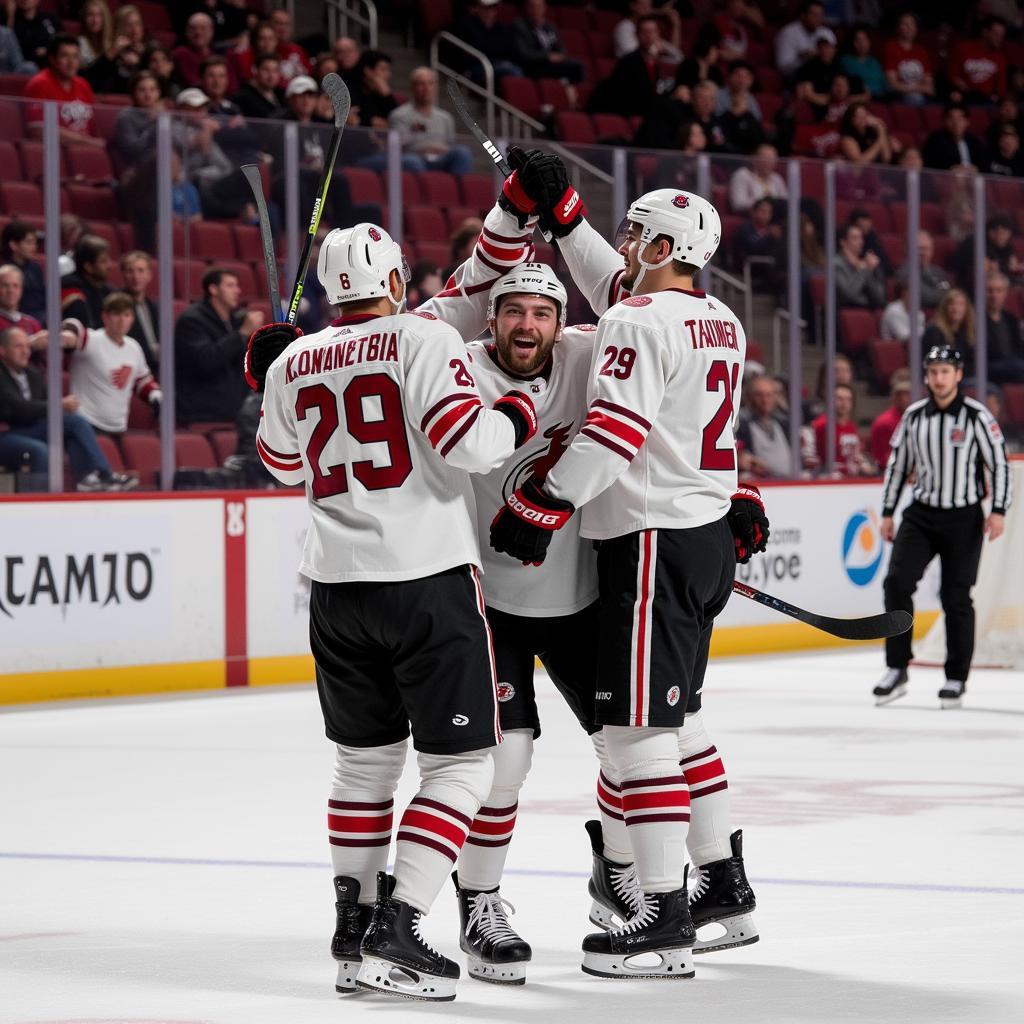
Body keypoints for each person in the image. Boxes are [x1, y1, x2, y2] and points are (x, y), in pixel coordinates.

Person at [251, 220, 539, 1001]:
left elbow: (279, 465)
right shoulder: (420, 338)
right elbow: (470, 443)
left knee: (363, 765)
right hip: (425, 578)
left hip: (336, 590)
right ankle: (401, 924)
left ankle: (354, 927)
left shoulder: (294, 360)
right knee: (463, 765)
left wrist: (272, 369)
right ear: (396, 280)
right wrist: (518, 412)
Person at [489, 181, 769, 977]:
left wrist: (543, 499)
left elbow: (615, 430)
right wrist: (567, 222)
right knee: (681, 722)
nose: (626, 241)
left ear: (662, 249)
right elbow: (622, 295)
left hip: (649, 542)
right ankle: (721, 884)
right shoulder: (720, 317)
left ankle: (661, 916)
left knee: (634, 735)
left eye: (636, 231)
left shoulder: (633, 319)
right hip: (702, 533)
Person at [873, 344, 1011, 708]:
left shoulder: (977, 416)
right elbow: (897, 465)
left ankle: (955, 677)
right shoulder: (915, 416)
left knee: (956, 597)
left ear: (958, 374)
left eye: (945, 371)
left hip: (964, 516)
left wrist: (998, 509)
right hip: (921, 514)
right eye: (933, 371)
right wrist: (887, 511)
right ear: (927, 376)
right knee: (896, 583)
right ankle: (897, 667)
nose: (938, 378)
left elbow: (999, 463)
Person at [0, 325, 136, 490]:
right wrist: (59, 405)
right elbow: (18, 409)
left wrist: (59, 407)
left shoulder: (33, 375)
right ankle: (102, 474)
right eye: (18, 346)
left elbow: (45, 405)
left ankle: (88, 480)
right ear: (2, 350)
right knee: (44, 448)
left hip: (29, 428)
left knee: (72, 427)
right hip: (6, 433)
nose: (25, 351)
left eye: (27, 346)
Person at [175, 267, 264, 426]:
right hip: (202, 415)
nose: (237, 291)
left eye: (237, 285)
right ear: (213, 289)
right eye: (230, 285)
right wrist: (241, 334)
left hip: (233, 413)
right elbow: (205, 361)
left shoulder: (234, 321)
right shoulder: (192, 321)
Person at [69, 291, 161, 437]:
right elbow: (75, 333)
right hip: (87, 424)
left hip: (119, 427)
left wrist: (155, 395)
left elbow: (142, 381)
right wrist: (68, 332)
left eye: (126, 315)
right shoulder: (92, 340)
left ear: (132, 319)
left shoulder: (134, 347)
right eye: (116, 314)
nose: (122, 320)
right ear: (105, 317)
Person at [23, 34, 104, 149]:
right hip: (55, 153)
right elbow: (37, 130)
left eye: (75, 56)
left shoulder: (83, 84)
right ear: (52, 59)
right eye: (65, 56)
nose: (71, 62)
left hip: (85, 153)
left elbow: (95, 127)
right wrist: (87, 142)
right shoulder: (39, 84)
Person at [387, 67, 473, 175]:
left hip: (440, 158)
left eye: (430, 83)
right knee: (413, 161)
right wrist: (426, 149)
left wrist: (440, 150)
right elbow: (398, 148)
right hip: (415, 158)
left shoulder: (445, 117)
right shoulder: (399, 115)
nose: (426, 88)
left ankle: (459, 190)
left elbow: (450, 145)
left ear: (436, 87)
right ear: (412, 87)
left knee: (462, 152)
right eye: (421, 84)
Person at [808, 383, 875, 477]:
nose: (844, 403)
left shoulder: (851, 427)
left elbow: (856, 455)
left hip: (851, 480)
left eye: (848, 400)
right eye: (839, 399)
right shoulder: (819, 426)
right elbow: (811, 460)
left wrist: (864, 466)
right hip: (829, 481)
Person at [510, 0, 584, 84]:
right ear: (527, 9)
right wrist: (547, 57)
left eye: (539, 6)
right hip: (535, 65)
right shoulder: (520, 26)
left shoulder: (550, 27)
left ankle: (575, 91)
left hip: (552, 64)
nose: (536, 10)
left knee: (577, 66)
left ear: (544, 8)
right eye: (533, 7)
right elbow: (524, 53)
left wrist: (560, 56)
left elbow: (561, 48)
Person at [737, 374, 794, 479]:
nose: (765, 400)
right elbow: (740, 455)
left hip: (790, 483)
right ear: (749, 397)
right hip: (760, 482)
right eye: (759, 395)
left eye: (769, 395)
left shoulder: (784, 424)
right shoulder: (741, 424)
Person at [948, 14, 1007, 106]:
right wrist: (962, 87)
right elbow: (952, 76)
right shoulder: (963, 48)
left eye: (1002, 35)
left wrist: (996, 97)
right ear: (985, 32)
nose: (1000, 39)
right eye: (996, 34)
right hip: (964, 96)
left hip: (987, 101)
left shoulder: (1000, 57)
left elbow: (1000, 90)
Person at [731, 197, 784, 292]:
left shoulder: (771, 229)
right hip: (753, 266)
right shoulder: (744, 228)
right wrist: (769, 236)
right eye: (763, 212)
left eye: (769, 213)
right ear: (753, 212)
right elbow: (752, 247)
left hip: (770, 265)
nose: (766, 216)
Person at [120, 250, 159, 375]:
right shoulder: (117, 307)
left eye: (141, 270)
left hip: (156, 370)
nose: (136, 277)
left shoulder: (154, 308)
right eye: (130, 271)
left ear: (149, 275)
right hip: (130, 370)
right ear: (123, 274)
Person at [61, 235, 113, 330]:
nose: (109, 265)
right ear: (88, 266)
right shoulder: (72, 290)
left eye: (109, 260)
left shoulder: (108, 291)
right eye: (103, 261)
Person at [883, 11, 934, 106]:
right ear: (898, 27)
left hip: (920, 95)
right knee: (916, 99)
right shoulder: (891, 47)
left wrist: (919, 89)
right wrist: (918, 88)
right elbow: (893, 84)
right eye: (905, 24)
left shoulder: (921, 51)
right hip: (899, 95)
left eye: (912, 24)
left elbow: (929, 86)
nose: (909, 28)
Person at [922, 289, 976, 376]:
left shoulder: (967, 332)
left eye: (960, 305)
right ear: (944, 308)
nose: (956, 308)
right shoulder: (934, 332)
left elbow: (972, 362)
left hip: (963, 376)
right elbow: (938, 364)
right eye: (952, 304)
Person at [1, 221, 45, 325]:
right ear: (13, 245)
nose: (34, 247)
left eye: (34, 243)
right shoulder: (4, 271)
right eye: (29, 242)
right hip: (17, 319)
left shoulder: (35, 267)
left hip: (41, 316)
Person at [984, 272, 1024, 384]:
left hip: (1013, 365)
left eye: (999, 291)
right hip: (989, 368)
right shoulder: (976, 319)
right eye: (990, 290)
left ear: (1005, 293)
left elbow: (1019, 347)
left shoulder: (1011, 319)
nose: (994, 295)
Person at [775, 0, 830, 80]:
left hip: (824, 78)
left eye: (821, 15)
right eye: (814, 15)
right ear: (803, 15)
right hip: (797, 80)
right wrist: (801, 59)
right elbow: (783, 69)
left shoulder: (826, 33)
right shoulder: (788, 33)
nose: (818, 19)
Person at [922, 104, 987, 172]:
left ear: (967, 121)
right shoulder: (934, 140)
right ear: (945, 121)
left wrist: (976, 169)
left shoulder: (974, 141)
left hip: (973, 179)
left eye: (960, 118)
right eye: (951, 118)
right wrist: (949, 170)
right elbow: (930, 165)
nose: (956, 123)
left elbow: (985, 164)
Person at [835, 223, 885, 310]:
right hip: (847, 312)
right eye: (855, 238)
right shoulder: (836, 264)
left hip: (868, 311)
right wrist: (864, 270)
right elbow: (848, 295)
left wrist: (869, 270)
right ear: (843, 242)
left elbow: (880, 298)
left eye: (861, 238)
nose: (860, 242)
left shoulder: (867, 263)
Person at [869, 368, 912, 467]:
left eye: (907, 393)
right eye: (899, 394)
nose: (904, 398)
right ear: (892, 395)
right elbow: (883, 460)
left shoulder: (921, 419)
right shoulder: (883, 423)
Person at [898, 230, 950, 311]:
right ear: (908, 250)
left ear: (932, 251)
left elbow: (949, 296)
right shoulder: (905, 273)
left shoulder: (938, 271)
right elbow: (926, 297)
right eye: (919, 248)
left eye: (927, 248)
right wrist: (939, 294)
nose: (923, 253)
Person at [729, 144, 788, 214]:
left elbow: (785, 202)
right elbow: (738, 204)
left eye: (773, 160)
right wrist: (762, 203)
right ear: (754, 159)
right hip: (751, 218)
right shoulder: (742, 175)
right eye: (766, 159)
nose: (770, 163)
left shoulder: (777, 178)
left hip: (776, 217)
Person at [614, 0, 682, 60]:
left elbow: (677, 56)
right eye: (644, 5)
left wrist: (675, 26)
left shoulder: (650, 26)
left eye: (649, 4)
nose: (648, 9)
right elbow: (633, 57)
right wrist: (655, 49)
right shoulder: (624, 27)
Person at [233, 52, 286, 120]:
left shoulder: (283, 95)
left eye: (275, 70)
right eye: (266, 70)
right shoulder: (242, 97)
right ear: (255, 70)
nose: (271, 76)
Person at [9, 0, 61, 67]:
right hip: (20, 64)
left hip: (48, 62)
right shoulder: (10, 19)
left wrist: (49, 50)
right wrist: (10, 16)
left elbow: (62, 42)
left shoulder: (51, 19)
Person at [840, 25, 885, 98]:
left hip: (882, 96)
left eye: (864, 39)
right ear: (852, 43)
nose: (862, 44)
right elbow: (858, 81)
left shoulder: (874, 61)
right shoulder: (846, 61)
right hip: (863, 97)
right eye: (858, 40)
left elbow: (883, 82)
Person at [268, 7, 310, 83]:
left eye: (287, 24)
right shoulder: (265, 51)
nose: (283, 28)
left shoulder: (298, 50)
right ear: (269, 26)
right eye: (278, 23)